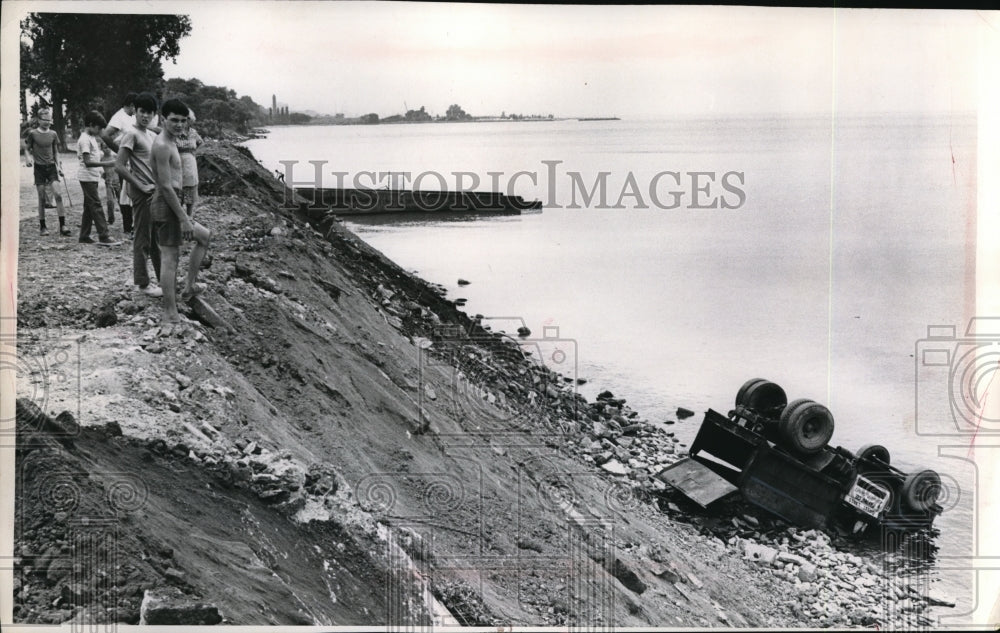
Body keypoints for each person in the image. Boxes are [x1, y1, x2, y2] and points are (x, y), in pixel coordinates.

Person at [151, 99, 210, 325]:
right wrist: (184, 218)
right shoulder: (163, 145)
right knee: (170, 257)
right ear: (163, 119)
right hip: (167, 204)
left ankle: (189, 286)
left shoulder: (172, 141)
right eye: (173, 120)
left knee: (204, 237)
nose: (179, 124)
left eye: (183, 121)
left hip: (171, 202)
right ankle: (169, 311)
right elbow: (165, 185)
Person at [115, 93, 162, 297]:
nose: (145, 116)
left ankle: (163, 279)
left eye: (149, 112)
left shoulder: (151, 135)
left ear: (154, 114)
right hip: (141, 192)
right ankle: (143, 283)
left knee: (155, 240)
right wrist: (141, 187)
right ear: (136, 111)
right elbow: (119, 166)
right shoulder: (131, 133)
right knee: (142, 238)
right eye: (142, 111)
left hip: (153, 191)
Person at [76, 111, 120, 246]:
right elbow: (88, 162)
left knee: (89, 207)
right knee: (96, 205)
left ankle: (84, 235)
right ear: (90, 125)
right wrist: (107, 164)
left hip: (93, 176)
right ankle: (104, 235)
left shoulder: (91, 138)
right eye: (98, 128)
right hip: (86, 177)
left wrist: (101, 171)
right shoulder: (84, 140)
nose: (100, 131)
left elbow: (95, 157)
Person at [24, 109, 71, 235]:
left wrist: (59, 166)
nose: (48, 122)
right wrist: (28, 158)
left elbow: (56, 151)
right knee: (42, 198)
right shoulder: (33, 134)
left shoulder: (53, 134)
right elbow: (27, 149)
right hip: (39, 168)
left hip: (51, 168)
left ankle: (63, 226)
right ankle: (43, 227)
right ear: (39, 120)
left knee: (58, 195)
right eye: (45, 120)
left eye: (49, 120)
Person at [103, 93, 137, 234]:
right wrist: (119, 151)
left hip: (136, 158)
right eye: (136, 107)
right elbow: (105, 135)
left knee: (135, 192)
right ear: (130, 105)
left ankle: (135, 223)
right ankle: (127, 225)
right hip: (125, 159)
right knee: (125, 192)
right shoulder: (119, 116)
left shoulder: (133, 116)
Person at [175, 109, 203, 217]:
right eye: (184, 119)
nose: (186, 122)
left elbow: (201, 143)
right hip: (178, 163)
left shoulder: (193, 132)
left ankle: (189, 217)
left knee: (190, 194)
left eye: (188, 119)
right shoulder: (176, 132)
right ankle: (179, 219)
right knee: (179, 192)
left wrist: (193, 153)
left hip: (191, 164)